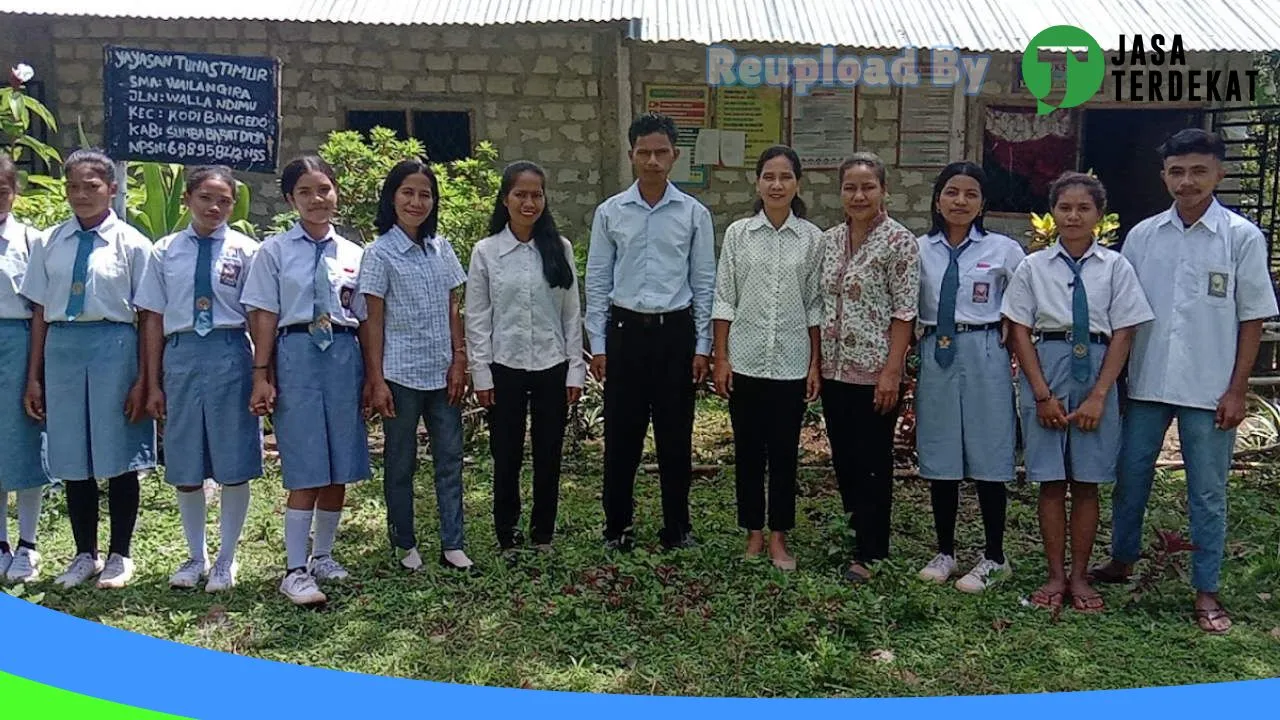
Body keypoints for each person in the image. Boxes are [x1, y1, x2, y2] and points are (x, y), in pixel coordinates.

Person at [1091, 129, 1279, 634]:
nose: (1187, 181)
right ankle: (1122, 560)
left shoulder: (1241, 238)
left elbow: (1253, 319)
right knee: (1129, 479)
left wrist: (1239, 389)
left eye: (1198, 171)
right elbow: (1124, 313)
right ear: (1164, 176)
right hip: (1147, 383)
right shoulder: (1143, 236)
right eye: (1177, 171)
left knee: (1208, 492)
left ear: (1219, 173)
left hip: (1210, 389)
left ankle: (1206, 589)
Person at [1001, 172, 1154, 613]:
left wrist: (1100, 395)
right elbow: (1020, 331)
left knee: (1086, 482)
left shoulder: (1116, 267)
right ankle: (1054, 575)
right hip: (1046, 364)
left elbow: (1124, 332)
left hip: (1098, 370)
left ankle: (1082, 576)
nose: (1073, 216)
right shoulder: (1033, 267)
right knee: (1050, 480)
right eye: (1064, 207)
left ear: (1099, 216)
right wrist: (1042, 394)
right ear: (1053, 213)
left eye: (1083, 208)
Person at [20, 149, 156, 590]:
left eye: (92, 186)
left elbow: (149, 314)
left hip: (114, 345)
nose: (82, 195)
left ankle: (120, 554)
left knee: (117, 451)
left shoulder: (133, 244)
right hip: (62, 347)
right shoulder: (49, 242)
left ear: (112, 189)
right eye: (73, 186)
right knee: (72, 455)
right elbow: (40, 310)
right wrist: (34, 374)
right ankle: (84, 553)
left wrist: (144, 377)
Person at [242, 156, 370, 605]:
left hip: (343, 353)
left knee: (340, 459)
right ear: (290, 200)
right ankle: (294, 569)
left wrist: (372, 375)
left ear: (337, 193)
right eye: (305, 192)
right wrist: (262, 372)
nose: (317, 200)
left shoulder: (355, 254)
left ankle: (324, 555)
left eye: (324, 190)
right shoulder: (274, 251)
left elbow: (366, 318)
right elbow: (264, 313)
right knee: (305, 463)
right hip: (296, 352)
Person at [584, 112, 716, 551]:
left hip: (674, 334)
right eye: (644, 152)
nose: (653, 160)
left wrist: (702, 346)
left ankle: (678, 529)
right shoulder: (611, 212)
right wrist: (598, 345)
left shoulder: (694, 214)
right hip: (624, 334)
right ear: (631, 155)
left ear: (675, 156)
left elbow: (704, 283)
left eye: (661, 152)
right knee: (621, 437)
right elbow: (598, 280)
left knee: (676, 437)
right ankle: (616, 528)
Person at [135, 165, 262, 593]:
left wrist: (264, 372)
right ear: (187, 199)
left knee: (233, 459)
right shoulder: (165, 250)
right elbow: (152, 318)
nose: (214, 207)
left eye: (224, 200)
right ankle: (195, 555)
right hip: (182, 353)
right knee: (186, 460)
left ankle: (227, 558)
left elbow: (260, 316)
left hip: (229, 352)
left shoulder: (247, 250)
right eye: (206, 197)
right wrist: (152, 382)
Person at [465, 161, 584, 563]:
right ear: (505, 199)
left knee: (549, 453)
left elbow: (571, 313)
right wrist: (480, 372)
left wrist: (575, 368)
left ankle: (543, 533)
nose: (529, 202)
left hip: (552, 365)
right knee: (507, 454)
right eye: (521, 194)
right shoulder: (487, 252)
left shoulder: (559, 248)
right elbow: (477, 317)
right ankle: (508, 535)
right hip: (505, 367)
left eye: (536, 195)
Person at [914, 161, 1025, 593]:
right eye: (951, 192)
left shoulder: (1003, 250)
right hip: (936, 351)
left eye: (970, 194)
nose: (960, 201)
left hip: (984, 351)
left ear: (983, 204)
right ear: (938, 199)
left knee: (989, 451)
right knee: (940, 452)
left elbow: (1024, 302)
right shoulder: (919, 249)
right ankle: (945, 551)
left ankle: (995, 556)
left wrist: (1012, 329)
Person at [711, 145, 822, 571]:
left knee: (783, 454)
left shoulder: (812, 239)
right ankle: (753, 534)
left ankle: (779, 537)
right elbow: (725, 300)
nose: (777, 185)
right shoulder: (739, 235)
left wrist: (814, 363)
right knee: (748, 453)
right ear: (757, 183)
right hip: (746, 360)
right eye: (769, 177)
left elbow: (814, 305)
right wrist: (722, 359)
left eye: (785, 177)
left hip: (792, 362)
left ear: (797, 184)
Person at [360, 159, 474, 573]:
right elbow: (372, 320)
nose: (416, 201)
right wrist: (375, 379)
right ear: (393, 197)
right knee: (401, 461)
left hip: (442, 371)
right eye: (407, 192)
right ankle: (403, 543)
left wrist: (459, 359)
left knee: (449, 457)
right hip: (399, 375)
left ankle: (453, 542)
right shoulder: (379, 252)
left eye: (425, 194)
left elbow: (452, 307)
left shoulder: (440, 248)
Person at [818, 153, 920, 583]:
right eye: (850, 187)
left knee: (873, 462)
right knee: (844, 459)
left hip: (876, 373)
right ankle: (853, 534)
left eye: (868, 187)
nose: (859, 195)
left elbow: (904, 312)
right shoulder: (829, 240)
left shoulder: (899, 242)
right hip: (833, 370)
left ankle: (872, 551)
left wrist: (892, 372)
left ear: (884, 191)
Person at [0, 154, 48, 584]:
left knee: (23, 440)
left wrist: (35, 371)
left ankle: (28, 543)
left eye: (2, 189)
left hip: (17, 342)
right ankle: (0, 541)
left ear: (14, 192)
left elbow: (39, 310)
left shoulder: (31, 240)